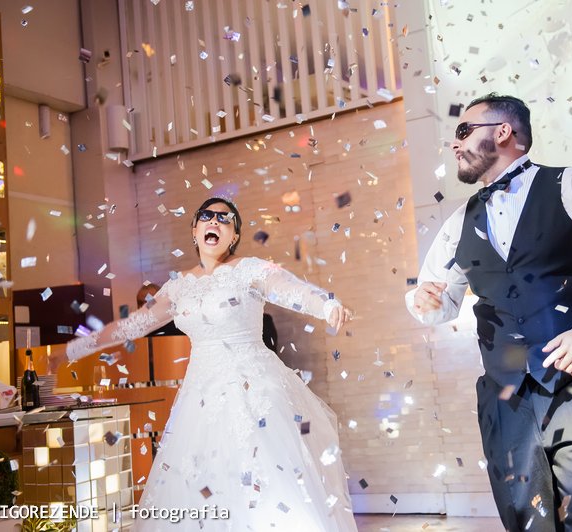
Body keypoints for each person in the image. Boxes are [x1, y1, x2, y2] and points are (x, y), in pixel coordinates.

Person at [405, 93, 572, 531]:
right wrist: (425, 302)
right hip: (504, 396)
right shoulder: (458, 222)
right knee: (527, 520)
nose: (455, 144)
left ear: (503, 132)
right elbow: (438, 299)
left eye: (463, 131)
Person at [53, 197, 357, 531]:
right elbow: (131, 325)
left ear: (233, 235)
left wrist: (328, 306)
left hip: (254, 390)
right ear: (195, 231)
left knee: (264, 482)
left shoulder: (251, 269)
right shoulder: (178, 286)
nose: (215, 221)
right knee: (202, 484)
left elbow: (293, 290)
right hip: (200, 396)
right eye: (207, 216)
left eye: (225, 219)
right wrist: (74, 349)